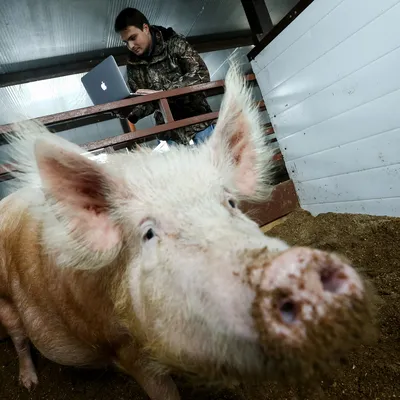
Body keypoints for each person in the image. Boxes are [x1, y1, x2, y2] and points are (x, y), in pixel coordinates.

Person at [113, 7, 216, 146]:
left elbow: (201, 74)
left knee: (214, 166)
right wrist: (128, 109)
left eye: (133, 38)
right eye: (126, 42)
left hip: (199, 124)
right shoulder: (133, 65)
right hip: (170, 135)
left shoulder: (174, 44)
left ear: (145, 28)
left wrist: (164, 94)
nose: (130, 46)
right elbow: (147, 103)